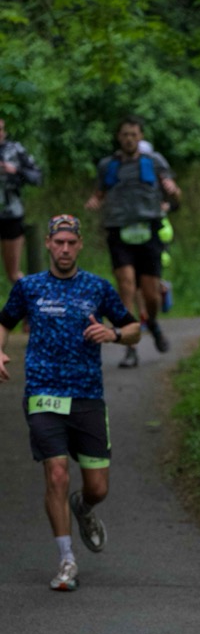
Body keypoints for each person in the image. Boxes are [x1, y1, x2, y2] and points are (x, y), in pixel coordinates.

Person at [0, 214, 141, 591]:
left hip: (87, 397)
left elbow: (134, 329)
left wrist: (112, 333)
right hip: (43, 394)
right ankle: (66, 560)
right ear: (48, 244)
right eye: (58, 242)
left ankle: (84, 507)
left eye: (71, 243)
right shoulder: (29, 287)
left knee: (98, 488)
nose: (64, 249)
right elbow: (4, 322)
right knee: (57, 473)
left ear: (79, 246)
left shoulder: (97, 287)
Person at [84, 115, 180, 366]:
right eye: (125, 134)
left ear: (141, 137)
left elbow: (175, 194)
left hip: (149, 230)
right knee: (126, 285)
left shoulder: (154, 162)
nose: (129, 139)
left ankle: (153, 322)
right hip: (119, 232)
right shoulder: (108, 165)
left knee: (151, 294)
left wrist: (173, 191)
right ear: (119, 137)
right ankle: (130, 347)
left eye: (133, 134)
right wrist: (94, 201)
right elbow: (99, 193)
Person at [0, 116, 43, 284]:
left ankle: (32, 298)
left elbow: (37, 177)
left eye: (0, 129)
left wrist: (16, 170)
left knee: (13, 273)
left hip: (11, 213)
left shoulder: (15, 150)